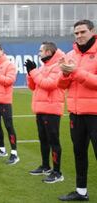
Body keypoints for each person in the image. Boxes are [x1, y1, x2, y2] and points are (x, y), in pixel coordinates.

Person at [57, 19, 97, 201]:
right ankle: (81, 192)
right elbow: (61, 84)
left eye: (83, 32)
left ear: (92, 31)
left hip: (95, 114)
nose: (79, 36)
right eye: (76, 33)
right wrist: (66, 73)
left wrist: (76, 72)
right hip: (76, 113)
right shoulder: (70, 54)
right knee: (79, 153)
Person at [25, 42, 65, 183]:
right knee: (43, 140)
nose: (39, 53)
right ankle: (45, 166)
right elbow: (32, 86)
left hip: (52, 109)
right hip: (41, 108)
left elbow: (49, 85)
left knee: (54, 141)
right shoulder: (44, 67)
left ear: (48, 52)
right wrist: (30, 73)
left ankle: (57, 172)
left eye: (41, 50)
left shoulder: (59, 65)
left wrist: (34, 72)